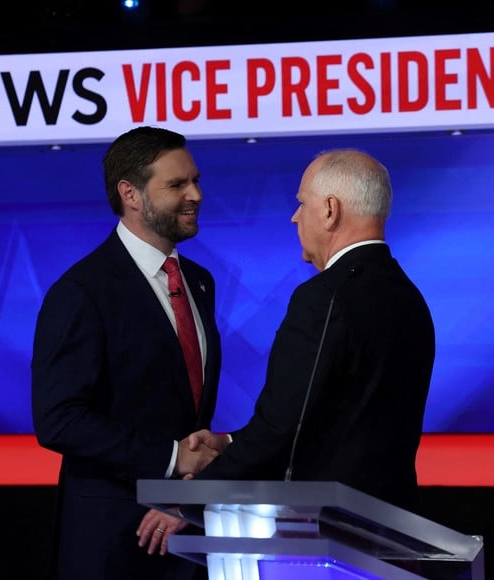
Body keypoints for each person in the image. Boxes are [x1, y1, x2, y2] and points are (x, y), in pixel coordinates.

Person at [138, 148, 435, 553]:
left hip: (330, 536)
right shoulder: (410, 298)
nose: (295, 217)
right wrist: (228, 443)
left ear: (330, 210)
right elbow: (331, 419)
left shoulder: (324, 298)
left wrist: (190, 499)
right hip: (392, 535)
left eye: (301, 204)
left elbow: (282, 429)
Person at [31, 126, 221, 580]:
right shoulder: (81, 291)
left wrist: (192, 489)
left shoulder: (199, 281)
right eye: (177, 185)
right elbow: (60, 419)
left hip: (190, 535)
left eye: (195, 179)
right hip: (115, 542)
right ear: (130, 194)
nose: (195, 194)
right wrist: (173, 458)